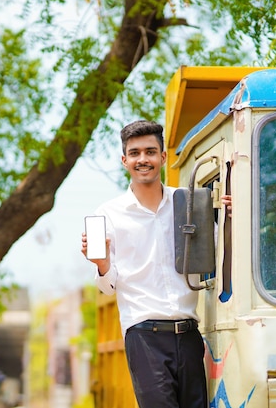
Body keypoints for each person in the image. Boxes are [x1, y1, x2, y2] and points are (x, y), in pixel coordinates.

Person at [81, 120, 231, 408]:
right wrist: (101, 263)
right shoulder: (109, 214)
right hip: (144, 337)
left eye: (150, 152)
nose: (143, 159)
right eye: (135, 153)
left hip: (189, 336)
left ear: (163, 157)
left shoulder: (188, 203)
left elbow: (219, 249)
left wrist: (230, 217)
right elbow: (107, 288)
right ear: (125, 160)